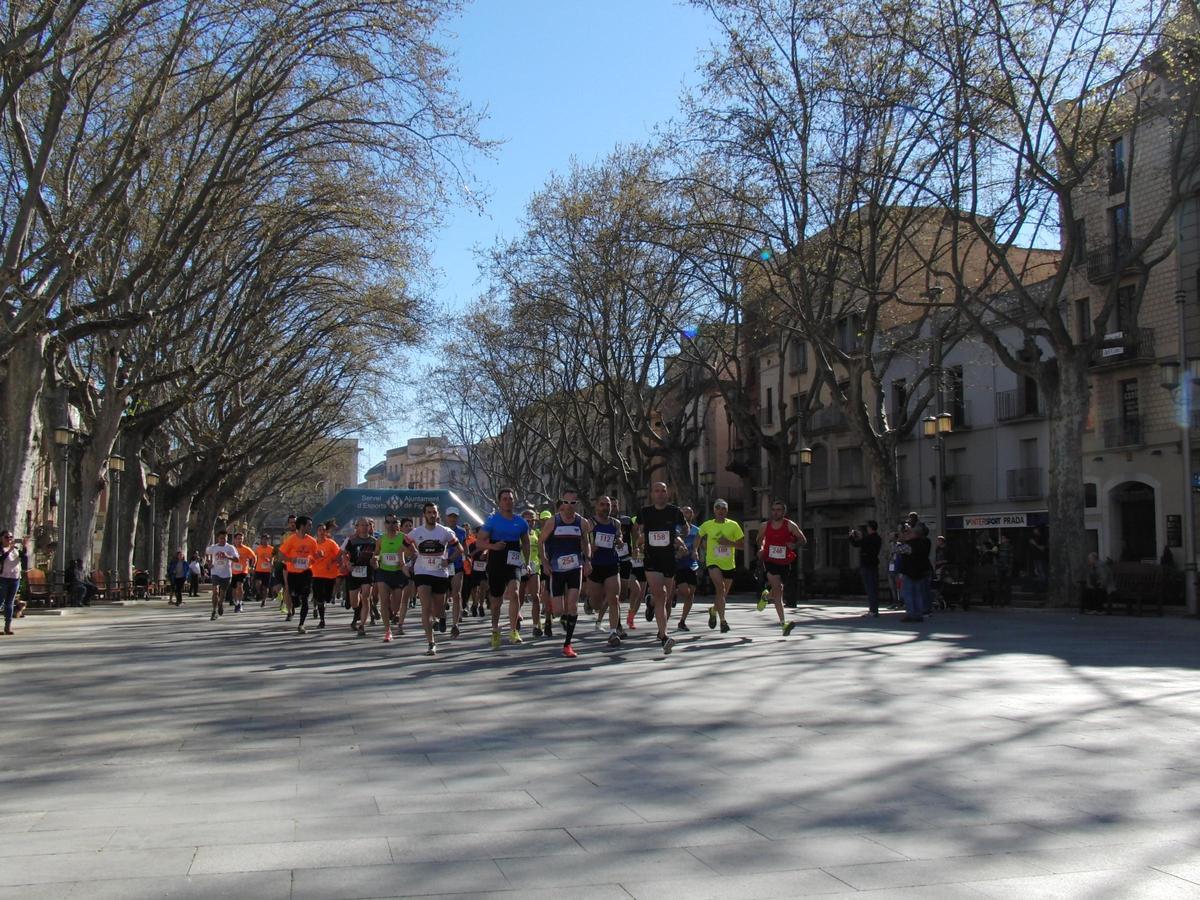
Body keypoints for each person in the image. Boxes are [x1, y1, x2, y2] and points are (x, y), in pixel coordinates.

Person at [634, 482, 687, 655]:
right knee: (662, 595)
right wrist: (639, 544)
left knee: (665, 598)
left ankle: (650, 603)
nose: (660, 493)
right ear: (652, 494)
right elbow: (636, 530)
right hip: (652, 559)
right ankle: (664, 636)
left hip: (669, 559)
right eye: (657, 490)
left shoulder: (674, 511)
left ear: (667, 493)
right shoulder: (645, 512)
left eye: (663, 491)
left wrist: (678, 539)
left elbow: (685, 528)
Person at [477, 489, 530, 649]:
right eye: (505, 499)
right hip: (496, 560)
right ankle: (495, 628)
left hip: (513, 560)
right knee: (496, 602)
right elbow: (479, 542)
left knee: (514, 593)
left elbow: (526, 543)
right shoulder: (493, 520)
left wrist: (526, 562)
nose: (508, 501)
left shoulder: (521, 522)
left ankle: (513, 631)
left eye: (510, 499)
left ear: (514, 501)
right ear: (499, 502)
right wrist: (492, 546)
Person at [408, 502, 462, 656]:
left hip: (440, 573)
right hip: (422, 572)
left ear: (438, 515)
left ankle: (440, 616)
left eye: (434, 512)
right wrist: (412, 556)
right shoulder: (416, 532)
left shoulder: (445, 532)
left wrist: (449, 560)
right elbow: (403, 545)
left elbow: (460, 549)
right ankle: (431, 643)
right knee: (425, 607)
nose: (432, 515)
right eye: (429, 512)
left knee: (436, 610)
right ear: (424, 515)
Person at [541, 497, 592, 658]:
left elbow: (586, 542)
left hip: (576, 567)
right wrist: (544, 562)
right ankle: (562, 618)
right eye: (566, 502)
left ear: (577, 504)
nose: (569, 506)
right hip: (556, 569)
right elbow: (541, 542)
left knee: (573, 606)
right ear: (561, 504)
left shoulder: (582, 522)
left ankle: (567, 644)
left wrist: (588, 560)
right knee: (558, 611)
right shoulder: (552, 522)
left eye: (573, 502)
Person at [757, 500, 805, 633]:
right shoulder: (764, 526)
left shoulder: (790, 525)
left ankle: (765, 597)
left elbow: (803, 539)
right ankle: (784, 624)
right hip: (770, 560)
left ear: (784, 512)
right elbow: (759, 540)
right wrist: (761, 549)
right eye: (773, 509)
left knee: (779, 589)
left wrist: (794, 545)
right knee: (778, 592)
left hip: (785, 562)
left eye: (778, 510)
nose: (775, 512)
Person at [697, 499, 744, 633]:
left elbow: (742, 545)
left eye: (723, 508)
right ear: (714, 510)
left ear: (727, 511)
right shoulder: (707, 525)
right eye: (718, 508)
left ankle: (713, 610)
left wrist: (728, 542)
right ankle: (723, 621)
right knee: (720, 588)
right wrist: (695, 550)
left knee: (722, 594)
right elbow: (698, 537)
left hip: (729, 564)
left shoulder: (734, 525)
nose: (721, 510)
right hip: (713, 562)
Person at [588, 496, 624, 646]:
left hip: (611, 564)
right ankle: (590, 603)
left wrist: (620, 540)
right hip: (595, 565)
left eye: (608, 505)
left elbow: (619, 535)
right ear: (596, 506)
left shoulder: (615, 523)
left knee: (614, 599)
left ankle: (613, 632)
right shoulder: (590, 522)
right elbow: (582, 540)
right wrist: (590, 547)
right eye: (602, 504)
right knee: (596, 603)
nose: (605, 507)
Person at [279, 516, 319, 633]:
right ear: (302, 526)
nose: (310, 527)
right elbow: (281, 556)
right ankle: (295, 601)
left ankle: (301, 624)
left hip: (306, 572)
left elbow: (314, 556)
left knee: (305, 598)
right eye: (309, 525)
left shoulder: (312, 541)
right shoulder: (291, 539)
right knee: (294, 598)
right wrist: (292, 560)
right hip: (292, 573)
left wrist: (318, 555)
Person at [374, 515, 410, 641]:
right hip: (383, 573)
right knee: (383, 601)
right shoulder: (381, 538)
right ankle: (387, 631)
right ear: (385, 524)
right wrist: (375, 559)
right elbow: (376, 553)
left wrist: (405, 562)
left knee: (395, 607)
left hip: (399, 574)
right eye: (388, 522)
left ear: (398, 524)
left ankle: (394, 613)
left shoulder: (403, 537)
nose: (391, 524)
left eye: (394, 522)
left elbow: (413, 552)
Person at [672, 506, 701, 632]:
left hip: (691, 563)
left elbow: (697, 546)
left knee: (691, 592)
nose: (686, 514)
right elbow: (670, 544)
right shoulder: (675, 529)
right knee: (685, 591)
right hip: (678, 563)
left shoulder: (697, 530)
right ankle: (672, 594)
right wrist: (677, 553)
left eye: (689, 512)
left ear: (692, 515)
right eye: (684, 512)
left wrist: (696, 552)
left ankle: (682, 621)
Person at [309, 520, 342, 630]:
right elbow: (308, 558)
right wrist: (314, 557)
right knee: (319, 597)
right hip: (316, 574)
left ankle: (324, 603)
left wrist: (332, 562)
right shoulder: (312, 544)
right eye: (320, 530)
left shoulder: (331, 543)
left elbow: (339, 555)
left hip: (330, 574)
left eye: (323, 530)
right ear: (317, 532)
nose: (322, 532)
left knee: (327, 597)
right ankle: (322, 620)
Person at [897, 521, 932, 622]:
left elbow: (897, 550)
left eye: (910, 532)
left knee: (908, 594)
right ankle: (919, 613)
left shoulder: (910, 545)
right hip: (920, 571)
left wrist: (900, 539)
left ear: (914, 534)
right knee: (918, 594)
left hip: (909, 572)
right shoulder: (925, 542)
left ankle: (911, 613)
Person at [849, 520, 882, 618]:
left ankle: (873, 610)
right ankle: (875, 609)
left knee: (870, 588)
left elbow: (856, 544)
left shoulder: (868, 539)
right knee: (874, 588)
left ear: (869, 528)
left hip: (866, 565)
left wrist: (851, 536)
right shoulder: (878, 538)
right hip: (874, 564)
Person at [204, 530, 239, 621]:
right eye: (221, 538)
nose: (223, 540)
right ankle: (214, 611)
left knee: (222, 594)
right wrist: (209, 563)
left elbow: (237, 559)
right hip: (215, 572)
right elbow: (206, 553)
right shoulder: (213, 547)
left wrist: (228, 556)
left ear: (227, 538)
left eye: (225, 538)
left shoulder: (230, 548)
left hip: (226, 573)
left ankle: (220, 603)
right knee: (215, 591)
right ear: (218, 538)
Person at [445, 507, 469, 638]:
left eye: (455, 517)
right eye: (450, 516)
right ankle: (440, 617)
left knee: (456, 594)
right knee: (442, 594)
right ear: (446, 517)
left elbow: (464, 545)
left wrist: (467, 555)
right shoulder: (441, 531)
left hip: (457, 566)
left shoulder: (461, 531)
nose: (453, 519)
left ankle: (455, 624)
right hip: (442, 566)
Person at [0, 531, 28, 635]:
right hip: (3, 578)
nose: (9, 539)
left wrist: (25, 547)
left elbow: (24, 559)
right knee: (0, 601)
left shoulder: (15, 550)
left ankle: (8, 626)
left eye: (11, 537)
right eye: (7, 537)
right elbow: (1, 558)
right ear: (1, 539)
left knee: (9, 603)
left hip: (15, 578)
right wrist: (9, 550)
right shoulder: (1, 550)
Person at [230, 531, 256, 613]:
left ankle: (239, 603)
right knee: (234, 589)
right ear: (234, 540)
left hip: (243, 571)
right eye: (238, 539)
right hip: (233, 571)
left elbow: (254, 557)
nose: (239, 540)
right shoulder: (231, 549)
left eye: (241, 539)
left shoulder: (246, 549)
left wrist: (252, 566)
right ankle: (236, 601)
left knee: (240, 586)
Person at [253, 533, 275, 607]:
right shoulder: (258, 548)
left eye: (266, 539)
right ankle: (259, 593)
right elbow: (255, 557)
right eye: (263, 539)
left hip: (267, 570)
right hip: (259, 569)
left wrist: (270, 561)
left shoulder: (271, 549)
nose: (264, 541)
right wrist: (253, 565)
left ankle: (264, 600)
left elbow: (273, 559)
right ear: (261, 540)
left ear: (268, 540)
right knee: (257, 584)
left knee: (265, 587)